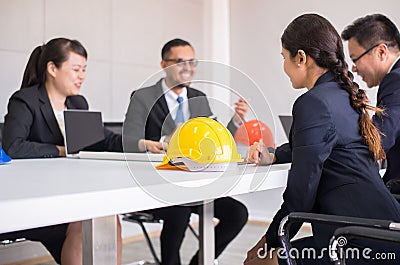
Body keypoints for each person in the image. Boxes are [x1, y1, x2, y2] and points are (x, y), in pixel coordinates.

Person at [244, 14, 400, 265]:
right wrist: (274, 154)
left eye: (284, 58)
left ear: (302, 58)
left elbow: (301, 193)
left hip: (357, 241)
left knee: (257, 262)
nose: (284, 67)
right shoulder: (343, 96)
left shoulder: (313, 102)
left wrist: (271, 242)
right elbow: (319, 146)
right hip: (382, 231)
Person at [123, 38, 249, 265]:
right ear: (164, 64)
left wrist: (235, 121)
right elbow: (127, 141)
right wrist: (164, 141)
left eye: (192, 62)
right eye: (180, 62)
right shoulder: (143, 97)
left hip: (195, 186)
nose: (188, 68)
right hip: (157, 185)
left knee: (237, 213)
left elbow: (216, 140)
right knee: (178, 211)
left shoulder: (197, 98)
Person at [1, 38, 122, 265]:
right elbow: (13, 146)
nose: (82, 76)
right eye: (76, 69)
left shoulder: (78, 103)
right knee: (83, 219)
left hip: (73, 193)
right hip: (38, 199)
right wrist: (60, 150)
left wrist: (143, 143)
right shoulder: (25, 101)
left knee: (108, 216)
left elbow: (102, 137)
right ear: (52, 68)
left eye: (84, 69)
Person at [341, 14, 400, 186]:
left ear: (381, 51)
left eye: (355, 59)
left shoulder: (395, 81)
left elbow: (379, 141)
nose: (353, 68)